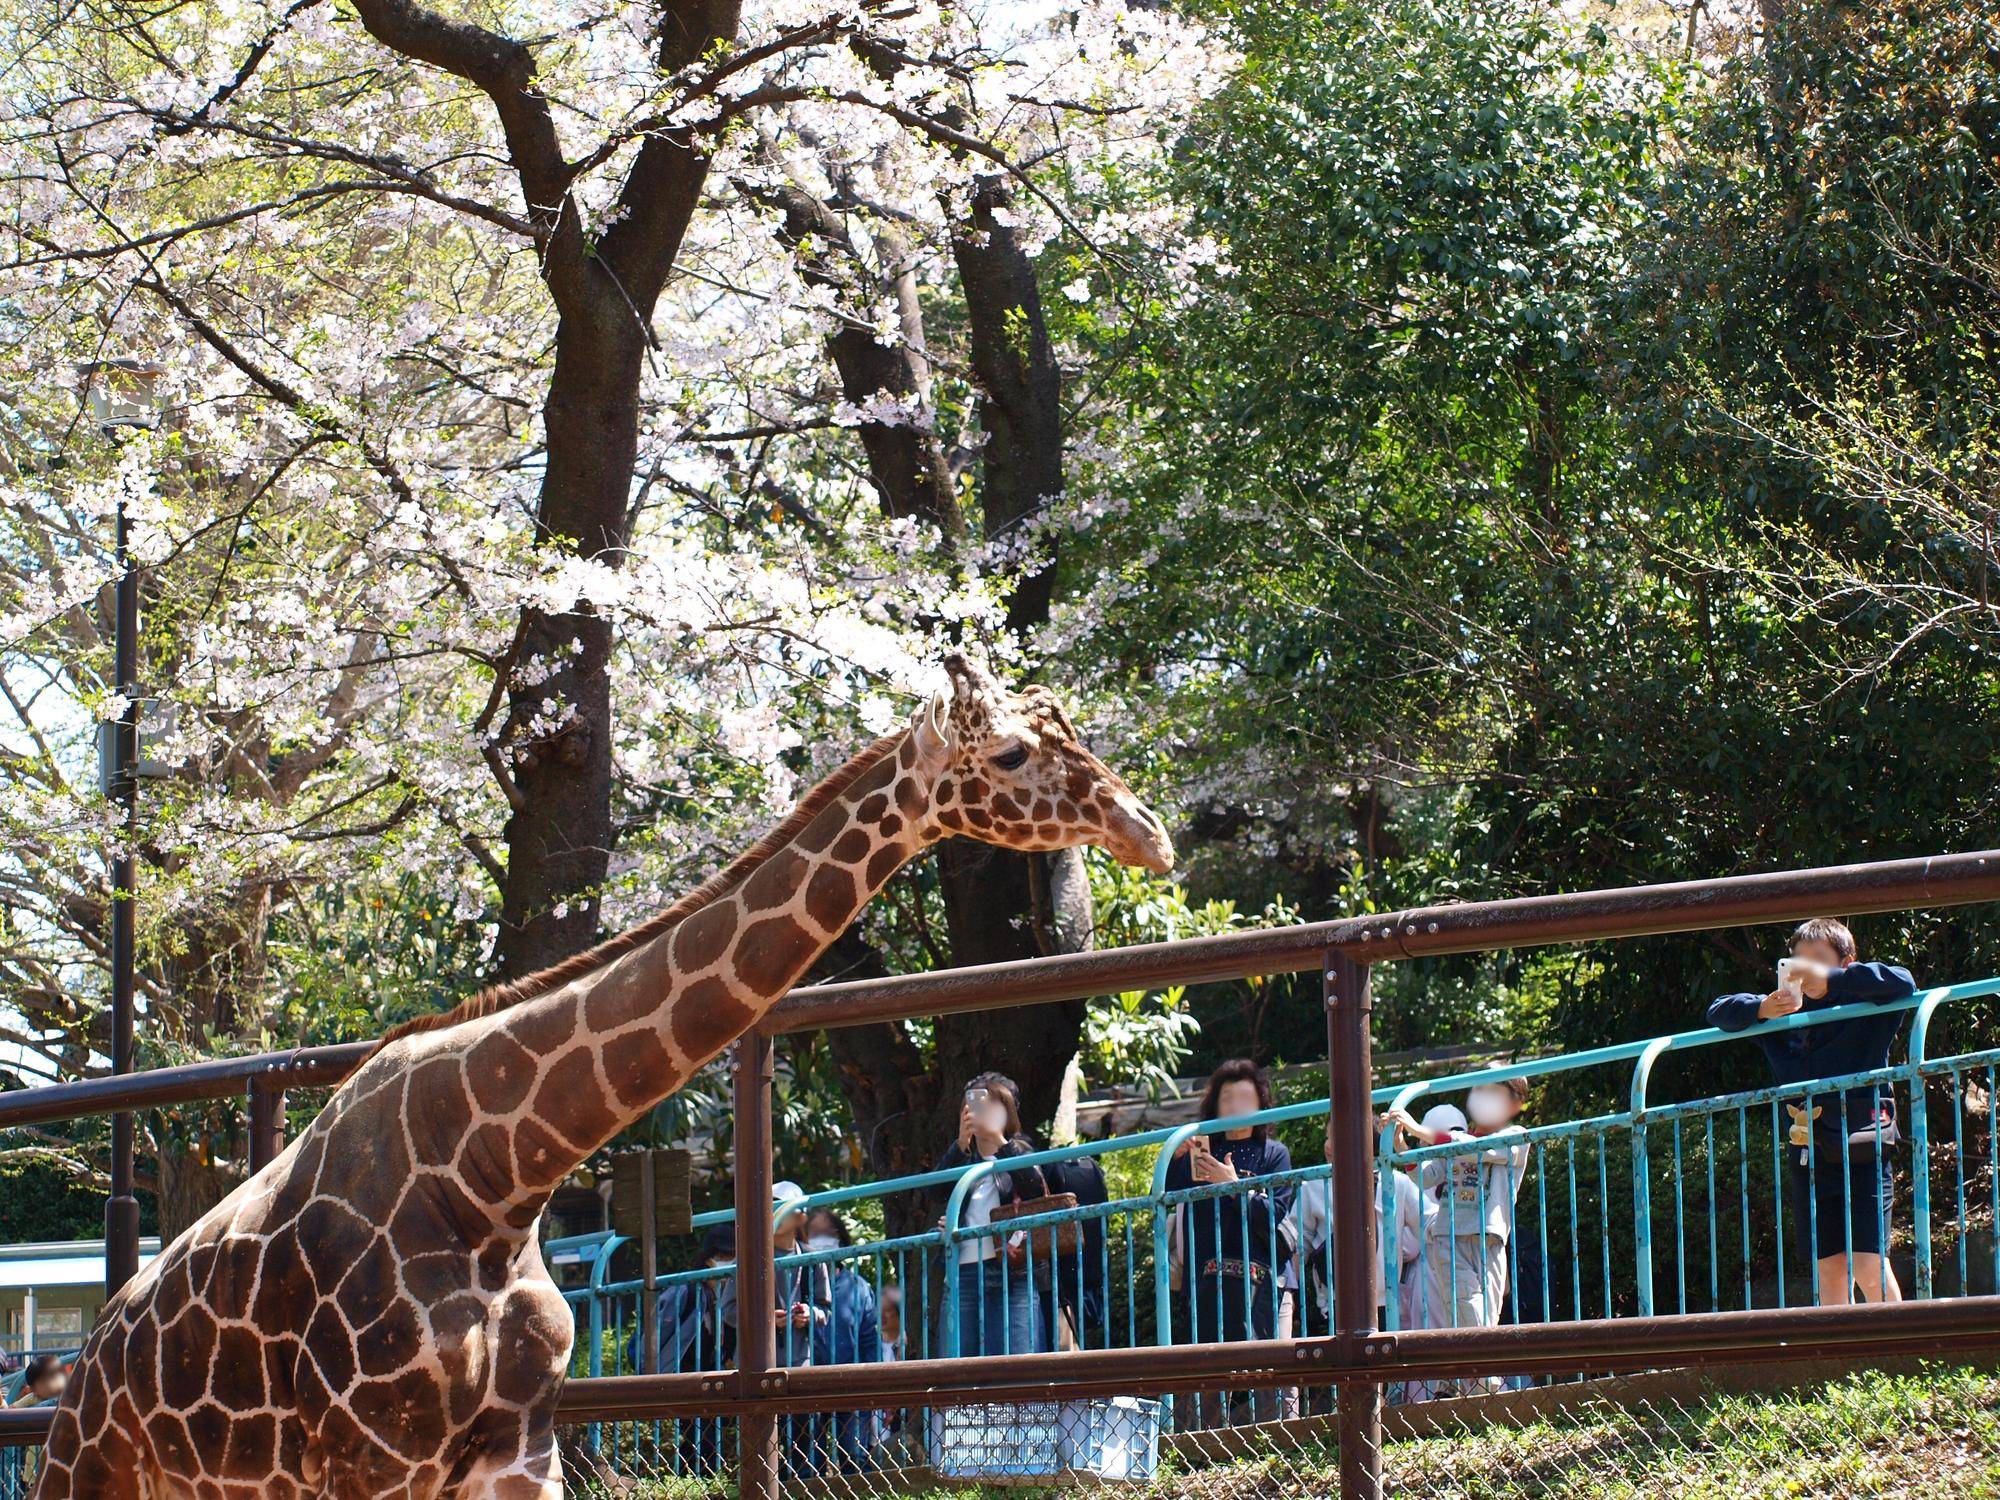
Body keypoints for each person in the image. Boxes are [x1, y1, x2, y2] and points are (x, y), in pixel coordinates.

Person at [1707, 918, 1914, 1306]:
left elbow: (1904, 982)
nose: (1804, 968)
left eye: (1817, 959)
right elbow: (1717, 1011)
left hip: (1864, 1143)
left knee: (1870, 1265)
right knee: (1830, 1270)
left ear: (1846, 962)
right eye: (1797, 959)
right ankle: (1844, 1366)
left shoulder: (1863, 999)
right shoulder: (1781, 1012)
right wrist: (1762, 1009)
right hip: (1810, 1150)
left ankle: (1897, 1355)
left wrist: (1831, 981)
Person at [1164, 1058, 1295, 1427]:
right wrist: (1174, 1157)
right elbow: (1162, 1200)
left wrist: (1232, 1185)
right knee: (1205, 1361)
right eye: (1227, 1099)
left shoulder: (1274, 1153)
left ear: (1260, 1106)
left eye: (1244, 1099)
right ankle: (1201, 1439)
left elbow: (1272, 1216)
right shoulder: (1198, 1150)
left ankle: (1271, 1437)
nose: (1235, 1107)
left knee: (1263, 1360)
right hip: (1204, 1279)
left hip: (1260, 1280)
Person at [1385, 1077, 1530, 1390]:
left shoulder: (1516, 1138)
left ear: (1514, 1105)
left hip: (1490, 1241)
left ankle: (1458, 1382)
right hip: (1449, 1239)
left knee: (1486, 1320)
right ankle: (1477, 1384)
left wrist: (1419, 1130)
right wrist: (1401, 1145)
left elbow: (1477, 1150)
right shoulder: (1456, 1140)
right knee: (1470, 1309)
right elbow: (1425, 1177)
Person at [936, 1071, 1049, 1356]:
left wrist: (1000, 1142)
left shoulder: (1021, 1151)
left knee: (1016, 1368)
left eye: (991, 1106)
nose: (980, 1112)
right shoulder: (963, 1161)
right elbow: (934, 1193)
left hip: (1013, 1272)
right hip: (963, 1272)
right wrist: (960, 1145)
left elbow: (1034, 1186)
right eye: (973, 1105)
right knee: (959, 1371)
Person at [1037, 1151, 1109, 1350]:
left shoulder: (1040, 1162)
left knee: (1060, 1340)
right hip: (1086, 1271)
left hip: (1057, 1278)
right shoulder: (1088, 1167)